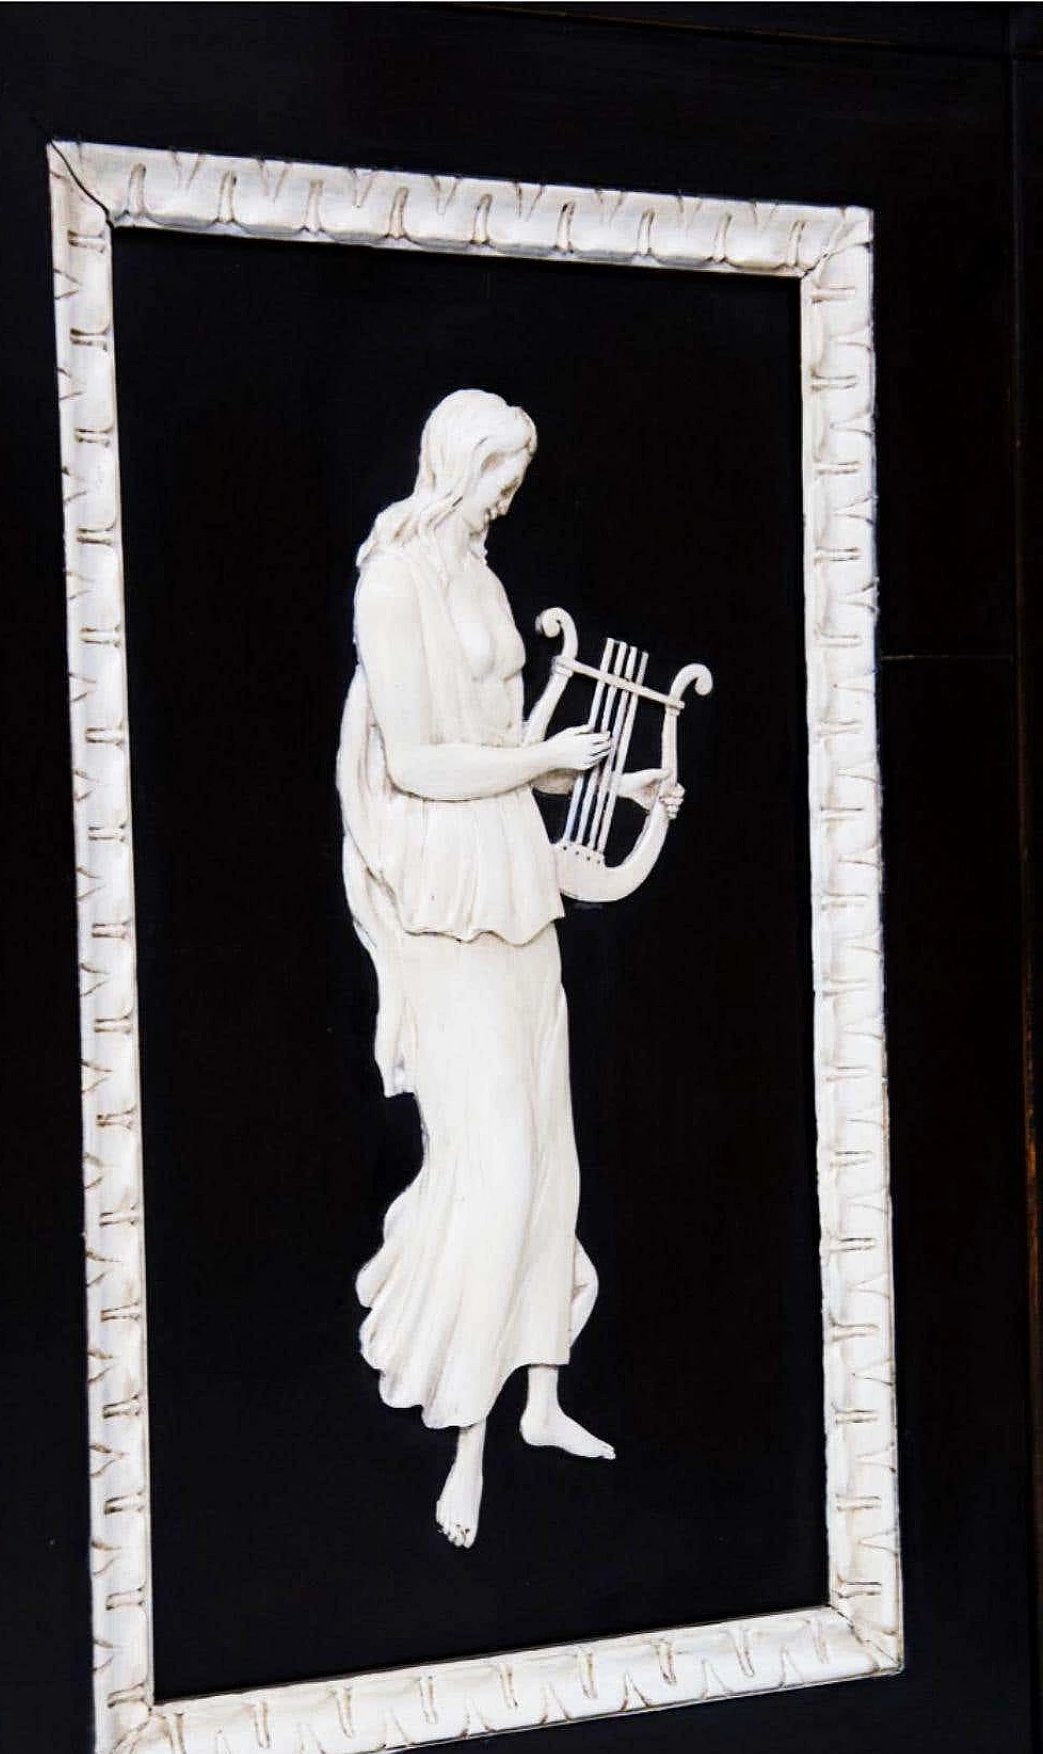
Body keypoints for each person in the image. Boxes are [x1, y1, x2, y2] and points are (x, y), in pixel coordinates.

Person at [336, 389, 666, 1547]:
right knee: (495, 1164)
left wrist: (608, 784)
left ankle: (540, 1397)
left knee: (550, 1153)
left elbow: (507, 761)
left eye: (514, 480)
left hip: (515, 880)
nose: (503, 498)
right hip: (447, 892)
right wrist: (537, 756)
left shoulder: (481, 575)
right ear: (448, 465)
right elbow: (424, 762)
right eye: (492, 477)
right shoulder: (393, 583)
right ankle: (465, 1437)